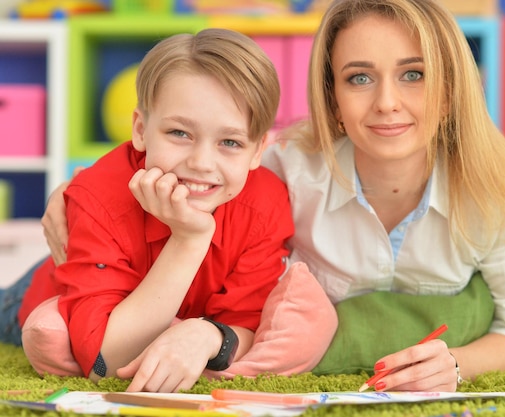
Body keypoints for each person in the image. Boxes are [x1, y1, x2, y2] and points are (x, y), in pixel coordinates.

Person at [40, 0, 505, 393]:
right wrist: (75, 193)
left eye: (413, 75)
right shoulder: (290, 167)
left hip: (195, 290)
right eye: (360, 78)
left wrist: (458, 364)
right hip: (112, 269)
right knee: (38, 320)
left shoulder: (493, 194)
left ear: (450, 87)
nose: (387, 103)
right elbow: (198, 148)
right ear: (332, 95)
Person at [1, 27, 293, 393]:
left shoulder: (264, 205)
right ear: (141, 129)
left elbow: (248, 326)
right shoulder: (99, 198)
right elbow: (105, 364)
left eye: (230, 142)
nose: (202, 162)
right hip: (46, 289)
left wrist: (208, 336)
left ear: (257, 151)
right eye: (179, 134)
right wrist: (189, 238)